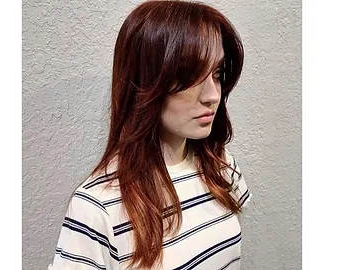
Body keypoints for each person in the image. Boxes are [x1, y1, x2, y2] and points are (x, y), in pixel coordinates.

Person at [48, 0, 252, 269]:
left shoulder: (220, 165)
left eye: (216, 73)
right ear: (146, 82)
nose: (213, 96)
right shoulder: (98, 207)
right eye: (191, 76)